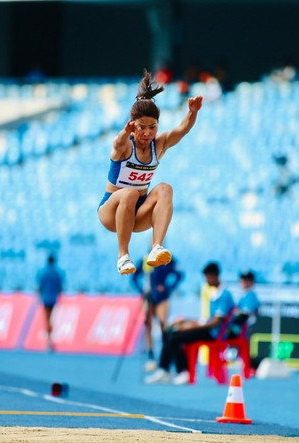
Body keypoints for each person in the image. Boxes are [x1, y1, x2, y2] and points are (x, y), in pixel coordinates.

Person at [97, 69, 203, 275]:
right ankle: (123, 256)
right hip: (111, 211)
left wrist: (193, 112)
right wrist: (125, 132)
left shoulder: (159, 145)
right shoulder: (126, 145)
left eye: (152, 127)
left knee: (165, 188)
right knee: (129, 192)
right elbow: (117, 144)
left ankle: (157, 247)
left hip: (138, 214)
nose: (147, 133)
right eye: (141, 127)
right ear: (133, 126)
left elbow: (181, 130)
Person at [145, 262, 235, 385]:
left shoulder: (225, 295)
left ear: (214, 276)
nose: (206, 281)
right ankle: (164, 370)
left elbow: (215, 323)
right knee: (169, 331)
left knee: (175, 337)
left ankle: (184, 371)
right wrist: (185, 321)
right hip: (207, 329)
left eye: (207, 278)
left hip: (214, 334)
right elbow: (207, 320)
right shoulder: (214, 294)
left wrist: (190, 326)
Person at [131, 253, 184, 371]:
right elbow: (134, 277)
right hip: (148, 297)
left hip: (162, 298)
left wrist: (168, 288)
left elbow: (180, 275)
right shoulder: (145, 258)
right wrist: (141, 290)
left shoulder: (168, 258)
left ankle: (164, 359)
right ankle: (151, 358)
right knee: (148, 325)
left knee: (163, 326)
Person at [36, 255, 64, 351]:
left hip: (45, 299)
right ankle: (51, 341)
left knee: (47, 320)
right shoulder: (58, 272)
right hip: (54, 299)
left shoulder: (43, 272)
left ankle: (49, 342)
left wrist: (39, 296)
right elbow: (61, 287)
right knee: (52, 320)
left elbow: (39, 286)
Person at [226, 271, 261, 339]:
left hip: (245, 330)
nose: (245, 282)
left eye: (248, 280)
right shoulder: (243, 295)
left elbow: (244, 315)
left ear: (252, 282)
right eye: (243, 279)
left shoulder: (251, 295)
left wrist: (230, 327)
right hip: (240, 328)